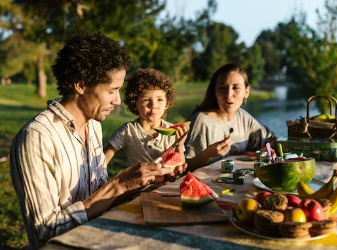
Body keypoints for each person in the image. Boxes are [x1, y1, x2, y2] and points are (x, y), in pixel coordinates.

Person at [9, 32, 187, 249]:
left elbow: (97, 200)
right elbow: (43, 234)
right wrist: (116, 186)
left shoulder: (93, 124)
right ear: (81, 86)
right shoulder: (36, 138)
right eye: (112, 90)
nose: (118, 100)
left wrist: (141, 183)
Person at [185, 63, 276, 171]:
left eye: (236, 88)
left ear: (246, 92)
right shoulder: (201, 121)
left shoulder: (243, 117)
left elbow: (270, 138)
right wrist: (208, 155)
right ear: (215, 92)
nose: (228, 94)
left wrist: (268, 150)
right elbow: (184, 168)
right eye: (222, 88)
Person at [104, 68, 189, 167]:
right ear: (134, 103)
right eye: (147, 100)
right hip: (136, 182)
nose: (153, 105)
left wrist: (179, 145)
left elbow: (179, 166)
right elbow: (105, 157)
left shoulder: (172, 132)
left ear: (167, 104)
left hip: (166, 182)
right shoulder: (128, 130)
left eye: (160, 99)